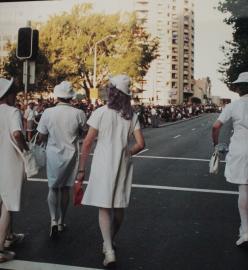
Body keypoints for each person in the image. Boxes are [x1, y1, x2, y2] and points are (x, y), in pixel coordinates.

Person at [76, 74, 145, 267]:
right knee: (119, 206)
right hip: (123, 162)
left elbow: (88, 142)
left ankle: (108, 249)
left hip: (103, 163)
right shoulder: (132, 115)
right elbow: (141, 144)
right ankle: (109, 241)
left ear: (112, 92)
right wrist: (127, 152)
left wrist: (81, 169)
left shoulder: (100, 112)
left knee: (104, 207)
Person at [212, 71, 248, 247]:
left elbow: (216, 127)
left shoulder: (233, 106)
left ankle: (245, 231)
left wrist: (216, 144)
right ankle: (244, 225)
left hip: (240, 150)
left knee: (243, 189)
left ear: (238, 89)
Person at [37, 81, 86, 238]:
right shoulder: (78, 113)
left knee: (52, 187)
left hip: (52, 153)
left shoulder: (48, 112)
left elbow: (42, 135)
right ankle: (60, 221)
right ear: (70, 97)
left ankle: (52, 220)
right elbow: (83, 133)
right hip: (70, 155)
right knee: (65, 188)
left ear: (57, 96)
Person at [0, 77, 28, 262]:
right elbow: (17, 133)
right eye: (14, 93)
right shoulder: (12, 112)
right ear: (7, 95)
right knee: (7, 204)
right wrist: (25, 147)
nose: (15, 96)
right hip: (8, 161)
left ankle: (8, 237)